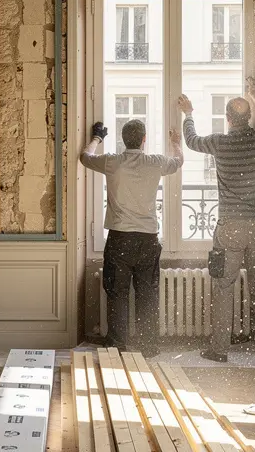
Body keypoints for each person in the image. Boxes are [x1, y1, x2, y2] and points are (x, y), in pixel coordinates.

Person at [178, 76, 255, 361]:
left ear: (227, 119)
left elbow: (191, 141)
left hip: (231, 225)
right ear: (248, 118)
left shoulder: (220, 143)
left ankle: (219, 349)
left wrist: (189, 114)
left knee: (224, 285)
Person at [80, 119, 184, 356]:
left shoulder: (113, 161)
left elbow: (85, 158)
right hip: (148, 239)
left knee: (117, 293)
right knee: (147, 293)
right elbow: (178, 162)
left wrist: (97, 137)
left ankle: (117, 345)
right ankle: (148, 347)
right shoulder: (156, 162)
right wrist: (176, 143)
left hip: (120, 238)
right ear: (144, 139)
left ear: (123, 139)